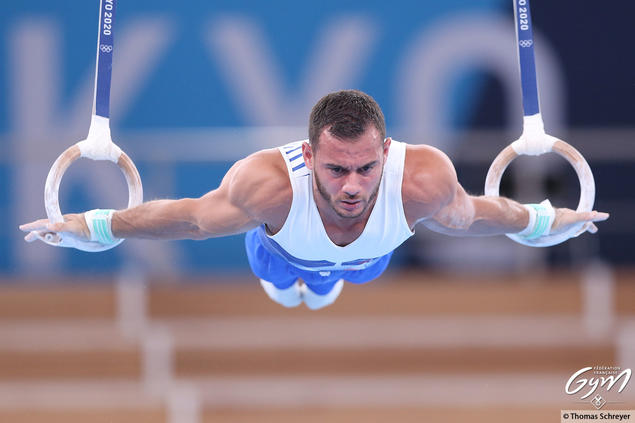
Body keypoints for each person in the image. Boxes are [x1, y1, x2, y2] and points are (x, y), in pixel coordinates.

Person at [19, 90, 609, 310]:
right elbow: (193, 220)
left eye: (365, 167)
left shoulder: (420, 180)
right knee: (287, 286)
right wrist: (98, 224)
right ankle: (297, 279)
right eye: (335, 169)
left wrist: (541, 220)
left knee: (335, 282)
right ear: (308, 154)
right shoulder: (271, 184)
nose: (352, 184)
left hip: (365, 263)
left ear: (387, 150)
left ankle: (325, 282)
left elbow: (477, 214)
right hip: (280, 254)